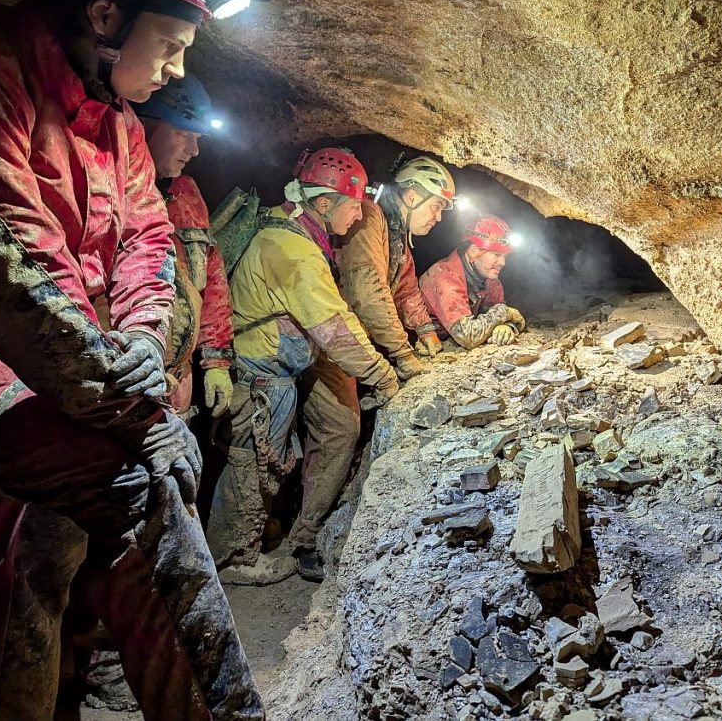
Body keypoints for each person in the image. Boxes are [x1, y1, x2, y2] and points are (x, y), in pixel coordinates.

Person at [0, 0, 263, 719]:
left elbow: (146, 239)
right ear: (105, 18)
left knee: (47, 557)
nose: (172, 71)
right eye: (168, 48)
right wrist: (136, 412)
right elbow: (22, 279)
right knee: (141, 493)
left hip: (79, 375)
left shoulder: (121, 125)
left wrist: (138, 338)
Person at [208, 147, 399, 585]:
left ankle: (300, 536)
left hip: (290, 361)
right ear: (325, 203)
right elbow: (334, 327)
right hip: (262, 369)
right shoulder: (294, 249)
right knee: (253, 461)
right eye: (354, 207)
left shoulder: (297, 229)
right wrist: (383, 375)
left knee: (338, 428)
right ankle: (235, 557)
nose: (358, 219)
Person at [134, 73, 234, 418]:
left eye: (198, 138)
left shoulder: (186, 194)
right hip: (126, 382)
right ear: (144, 126)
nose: (194, 150)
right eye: (183, 134)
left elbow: (212, 279)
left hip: (180, 375)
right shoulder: (111, 190)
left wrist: (217, 359)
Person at [337, 156, 455, 380]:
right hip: (336, 337)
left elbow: (406, 286)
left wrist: (425, 329)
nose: (438, 218)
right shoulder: (369, 218)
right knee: (342, 414)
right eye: (436, 207)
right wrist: (401, 351)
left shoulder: (396, 231)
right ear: (412, 197)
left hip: (355, 336)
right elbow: (368, 292)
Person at [419, 214, 526, 348]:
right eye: (497, 255)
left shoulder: (488, 279)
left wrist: (505, 327)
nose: (503, 262)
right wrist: (504, 312)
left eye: (505, 256)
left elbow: (494, 313)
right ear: (474, 252)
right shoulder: (446, 277)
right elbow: (468, 336)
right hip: (423, 347)